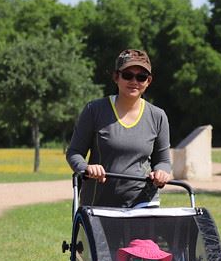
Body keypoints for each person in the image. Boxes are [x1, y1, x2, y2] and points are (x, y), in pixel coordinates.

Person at [66, 49, 172, 208]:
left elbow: (163, 161)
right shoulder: (94, 110)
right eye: (128, 75)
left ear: (148, 81)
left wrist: (162, 173)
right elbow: (74, 152)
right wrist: (86, 168)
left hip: (142, 203)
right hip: (98, 204)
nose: (134, 81)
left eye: (141, 77)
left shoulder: (158, 116)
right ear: (116, 77)